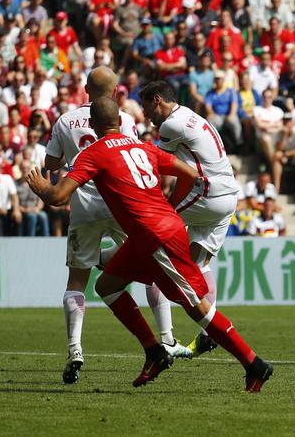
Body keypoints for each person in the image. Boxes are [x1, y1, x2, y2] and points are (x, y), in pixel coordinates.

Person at [27, 98, 272, 391]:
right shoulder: (143, 147)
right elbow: (191, 174)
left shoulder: (92, 154)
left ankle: (254, 364)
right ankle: (155, 352)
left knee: (197, 307)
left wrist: (42, 188)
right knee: (106, 286)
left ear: (92, 125)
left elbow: (58, 197)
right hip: (151, 234)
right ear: (120, 121)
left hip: (156, 237)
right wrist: (170, 206)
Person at [45, 67, 190, 385]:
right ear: (114, 91)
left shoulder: (65, 120)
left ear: (85, 88)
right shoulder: (124, 120)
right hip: (121, 206)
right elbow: (134, 159)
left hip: (83, 208)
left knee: (77, 281)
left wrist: (63, 163)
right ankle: (166, 337)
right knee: (150, 269)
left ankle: (75, 350)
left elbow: (51, 163)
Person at [139, 81, 241, 358]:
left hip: (207, 192)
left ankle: (166, 340)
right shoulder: (192, 115)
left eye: (147, 106)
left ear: (157, 100)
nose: (145, 114)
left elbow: (157, 164)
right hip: (229, 195)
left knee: (154, 248)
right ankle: (209, 334)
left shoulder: (170, 126)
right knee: (200, 263)